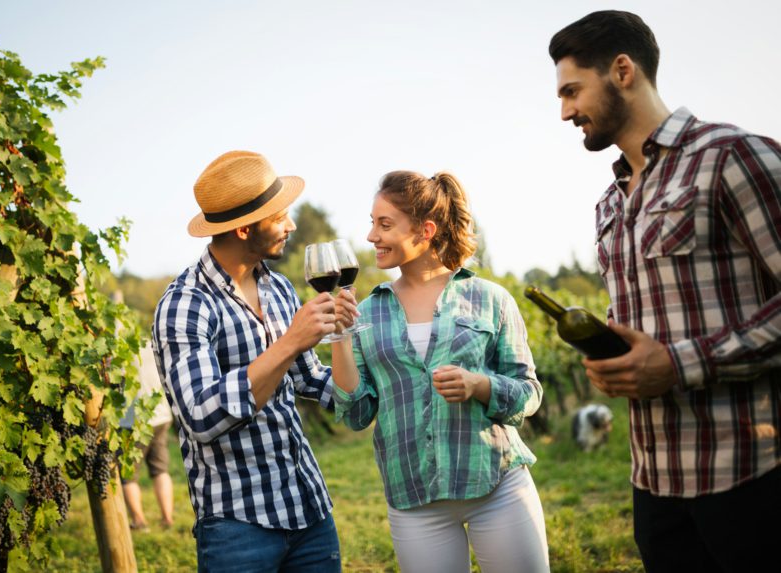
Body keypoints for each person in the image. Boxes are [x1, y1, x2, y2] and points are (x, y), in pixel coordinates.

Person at [549, 10, 781, 572]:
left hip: (751, 478)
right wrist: (613, 361)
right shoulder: (609, 204)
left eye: (572, 91)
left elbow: (674, 353)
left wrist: (681, 364)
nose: (564, 112)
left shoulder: (730, 157)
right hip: (653, 485)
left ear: (623, 71)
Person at [329, 171, 550, 573]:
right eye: (372, 223)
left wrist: (480, 385)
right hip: (415, 500)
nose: (370, 236)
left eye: (384, 224)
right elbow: (356, 413)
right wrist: (341, 336)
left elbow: (529, 393)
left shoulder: (489, 298)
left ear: (425, 230)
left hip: (497, 487)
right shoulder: (369, 312)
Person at [152, 150, 349, 572]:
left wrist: (378, 376)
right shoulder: (185, 304)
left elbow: (311, 379)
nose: (291, 225)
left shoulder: (278, 288)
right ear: (243, 229)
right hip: (238, 525)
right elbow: (202, 417)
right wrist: (289, 342)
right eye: (280, 217)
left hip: (308, 507)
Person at [120, 343, 175, 531]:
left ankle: (139, 522)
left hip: (132, 420)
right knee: (160, 469)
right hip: (160, 413)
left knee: (128, 476)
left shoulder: (117, 343)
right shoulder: (151, 338)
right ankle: (167, 519)